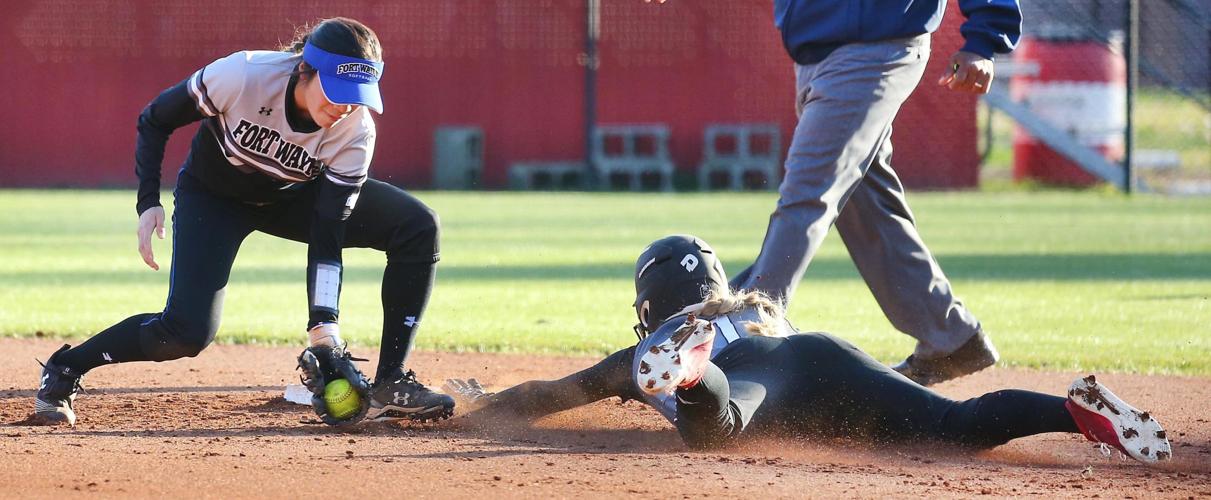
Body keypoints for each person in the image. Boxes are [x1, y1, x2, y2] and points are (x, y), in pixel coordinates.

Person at [32, 17, 454, 427]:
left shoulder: (355, 132)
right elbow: (156, 118)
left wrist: (324, 331)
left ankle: (391, 384)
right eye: (337, 89)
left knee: (418, 226)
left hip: (294, 199)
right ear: (305, 68)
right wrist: (148, 201)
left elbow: (328, 233)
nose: (344, 105)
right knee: (186, 332)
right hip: (214, 198)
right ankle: (66, 367)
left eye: (357, 94)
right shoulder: (244, 75)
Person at [444, 235, 1172, 463]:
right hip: (822, 354)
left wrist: (477, 412)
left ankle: (694, 381)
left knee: (717, 431)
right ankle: (1073, 412)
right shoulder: (757, 307)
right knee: (953, 424)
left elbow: (551, 396)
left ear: (650, 309)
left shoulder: (651, 347)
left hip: (750, 376)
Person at [642, 0, 1023, 386]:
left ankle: (745, 338)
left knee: (806, 195)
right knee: (869, 209)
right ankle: (951, 336)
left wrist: (985, 36)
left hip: (876, 46)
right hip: (821, 53)